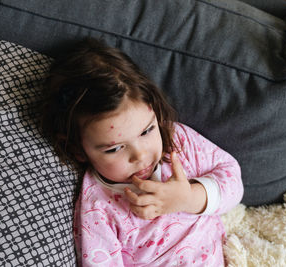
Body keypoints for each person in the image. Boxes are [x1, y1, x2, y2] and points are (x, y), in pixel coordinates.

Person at [41, 37, 244, 266]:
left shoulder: (178, 141)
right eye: (115, 148)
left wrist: (189, 198)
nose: (140, 155)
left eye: (147, 131)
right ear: (77, 150)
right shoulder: (98, 207)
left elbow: (233, 180)